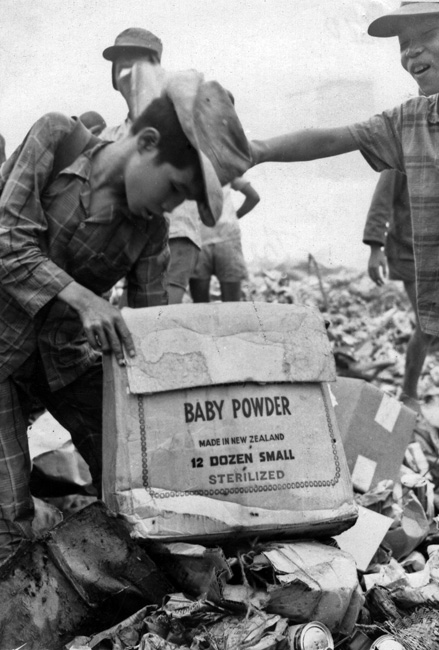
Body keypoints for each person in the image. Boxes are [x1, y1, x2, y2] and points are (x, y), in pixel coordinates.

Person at [0, 69, 251, 563]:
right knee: (10, 521)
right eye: (176, 188)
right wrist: (83, 298)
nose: (171, 206)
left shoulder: (150, 231)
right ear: (147, 142)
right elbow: (6, 242)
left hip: (65, 362)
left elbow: (148, 334)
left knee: (142, 477)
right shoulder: (56, 138)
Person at [250, 1, 439, 344]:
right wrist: (256, 151)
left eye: (427, 33)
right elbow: (332, 139)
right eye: (402, 43)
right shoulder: (411, 121)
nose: (412, 50)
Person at [101, 28, 202, 304]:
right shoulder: (109, 137)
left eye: (137, 66)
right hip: (123, 240)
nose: (127, 75)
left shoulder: (181, 121)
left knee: (155, 321)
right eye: (121, 67)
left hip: (175, 236)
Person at [364, 169, 431, 411]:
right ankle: (408, 393)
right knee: (427, 323)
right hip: (407, 251)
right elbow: (382, 198)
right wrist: (375, 247)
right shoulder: (402, 147)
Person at [189, 176, 260, 302]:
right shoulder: (225, 167)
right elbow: (253, 197)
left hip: (199, 240)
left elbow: (254, 197)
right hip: (224, 239)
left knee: (200, 308)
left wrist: (235, 216)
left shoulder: (190, 166)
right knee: (231, 306)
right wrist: (232, 217)